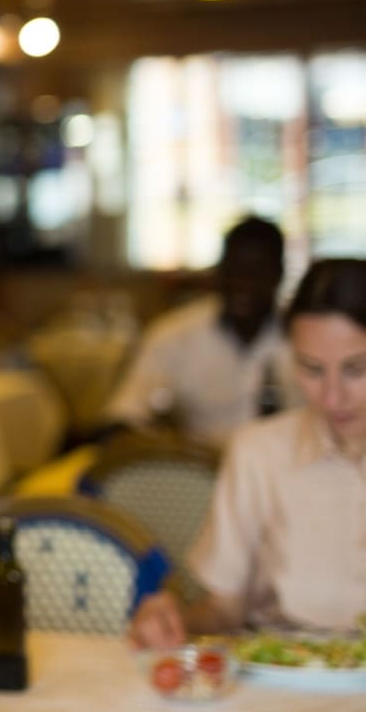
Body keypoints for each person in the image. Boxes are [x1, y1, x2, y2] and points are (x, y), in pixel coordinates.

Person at [130, 258, 366, 646]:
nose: (332, 396)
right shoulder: (259, 453)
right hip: (283, 688)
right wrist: (172, 621)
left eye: (357, 369)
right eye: (311, 369)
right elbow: (225, 610)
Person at [105, 216, 298, 447]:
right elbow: (125, 414)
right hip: (197, 475)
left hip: (284, 473)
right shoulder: (175, 334)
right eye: (233, 269)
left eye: (255, 271)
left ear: (279, 274)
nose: (242, 282)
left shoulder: (304, 339)